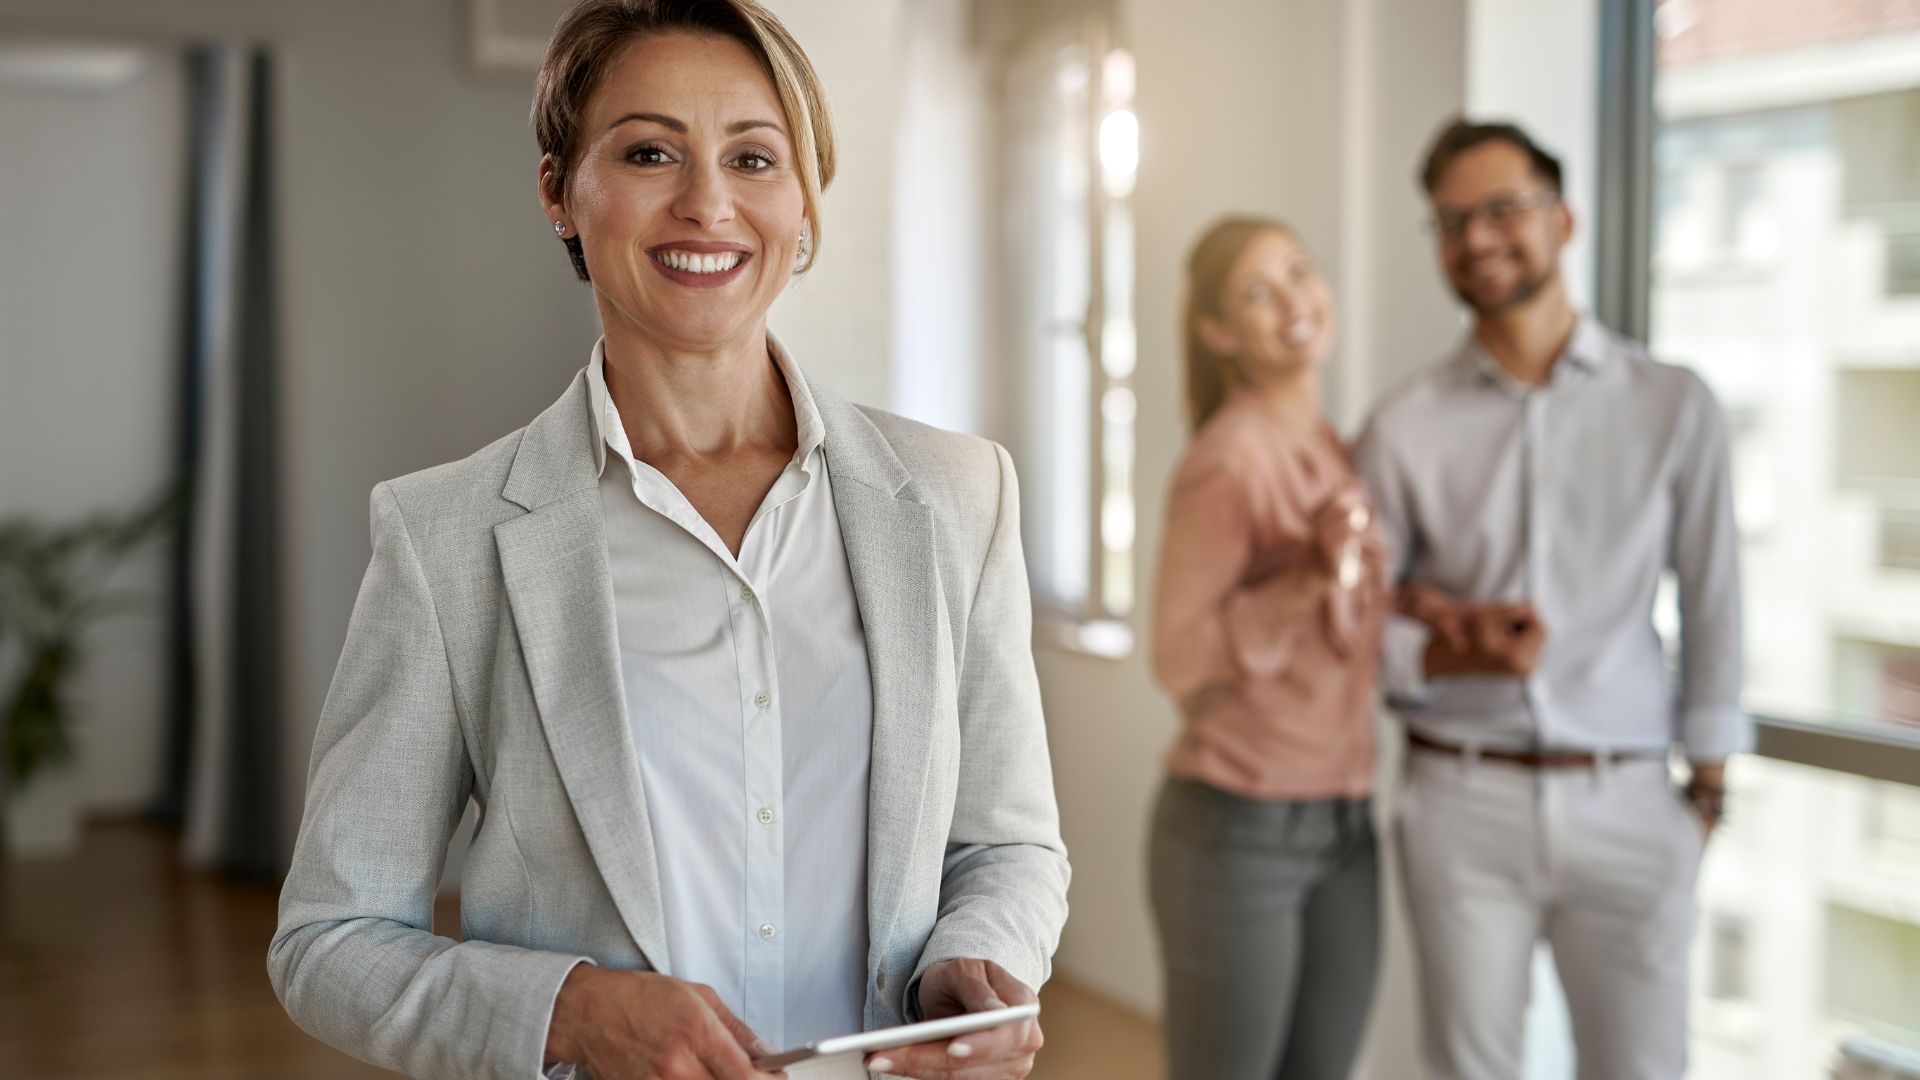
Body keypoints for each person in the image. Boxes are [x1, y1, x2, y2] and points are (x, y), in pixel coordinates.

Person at [266, 3, 1069, 1079]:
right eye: (650, 151)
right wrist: (569, 1011)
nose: (708, 203)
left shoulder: (959, 497)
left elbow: (1008, 845)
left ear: (804, 202)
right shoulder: (445, 539)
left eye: (753, 157)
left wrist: (969, 967)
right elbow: (327, 941)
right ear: (559, 191)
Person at [1354, 118, 1747, 1080]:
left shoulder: (1673, 404)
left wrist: (1705, 791)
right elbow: (1360, 627)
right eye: (1451, 222)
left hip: (1630, 799)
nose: (1477, 238)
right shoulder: (1402, 426)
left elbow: (1716, 599)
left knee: (1642, 1068)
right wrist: (1454, 655)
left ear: (1563, 219)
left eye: (1501, 210)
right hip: (1461, 796)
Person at [1148, 217, 1386, 1080]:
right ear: (1219, 334)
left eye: (1299, 271)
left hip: (1345, 821)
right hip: (1238, 827)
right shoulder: (1231, 458)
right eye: (1257, 291)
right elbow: (1175, 658)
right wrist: (1305, 581)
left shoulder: (1330, 449)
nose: (1293, 300)